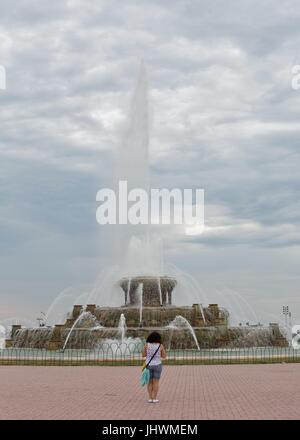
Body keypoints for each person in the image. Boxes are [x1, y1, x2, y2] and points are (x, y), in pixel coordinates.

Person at [142, 331, 166, 403]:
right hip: (158, 365)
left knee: (149, 382)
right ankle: (154, 398)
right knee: (156, 382)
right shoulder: (160, 346)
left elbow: (143, 355)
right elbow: (164, 356)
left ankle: (150, 398)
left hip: (148, 365)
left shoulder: (146, 345)